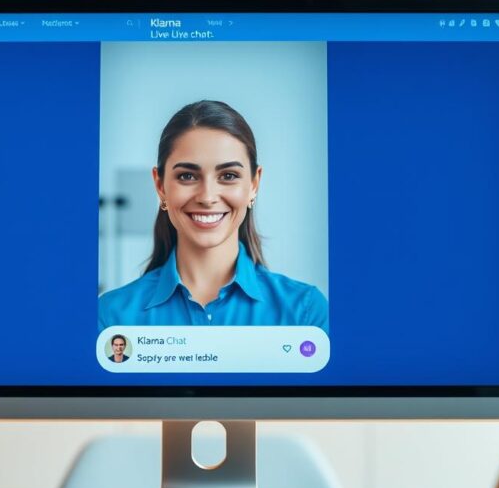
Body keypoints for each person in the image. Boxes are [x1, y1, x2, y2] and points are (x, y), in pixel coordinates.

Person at [98, 100, 329, 332]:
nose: (207, 197)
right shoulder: (111, 316)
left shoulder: (304, 313)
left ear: (254, 184)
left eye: (228, 176)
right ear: (160, 186)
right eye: (187, 176)